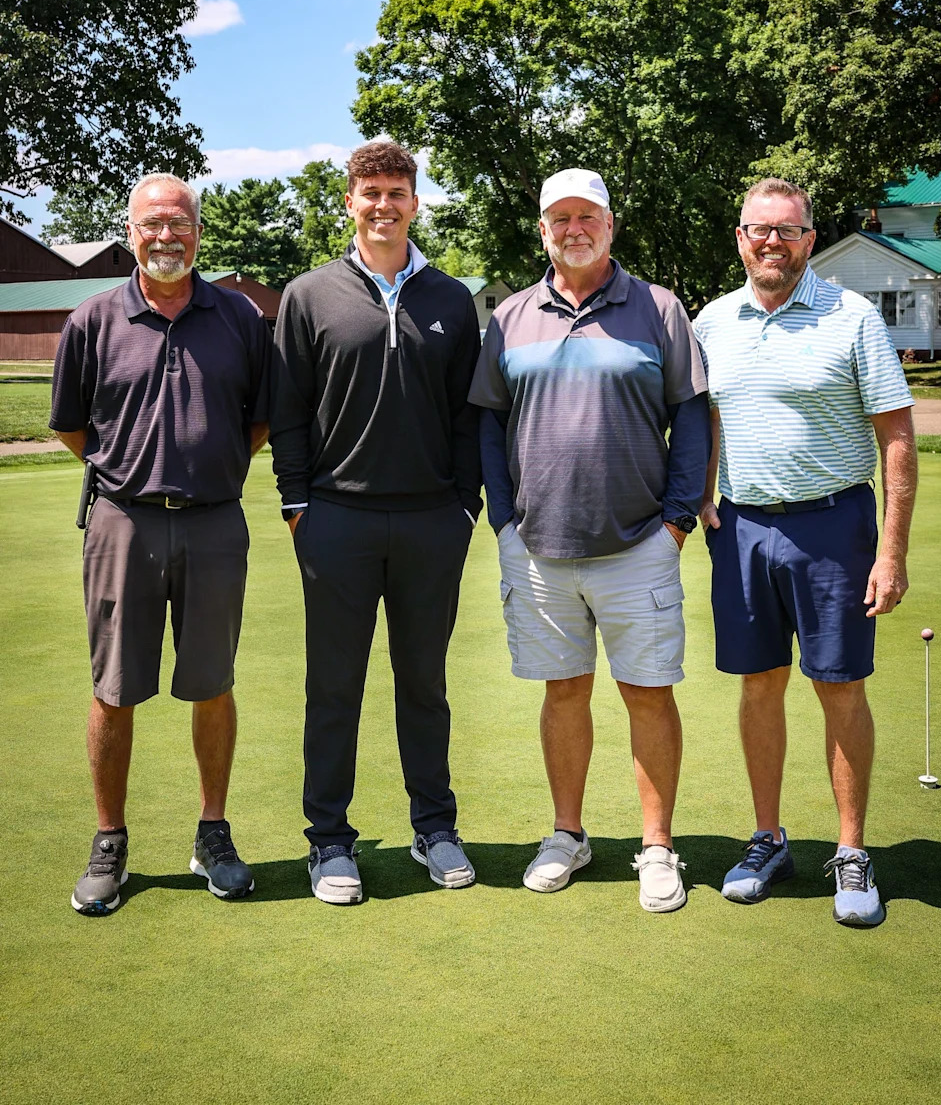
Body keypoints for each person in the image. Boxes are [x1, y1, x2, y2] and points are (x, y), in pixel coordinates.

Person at [468, 168, 710, 910]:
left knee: (647, 695)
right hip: (540, 548)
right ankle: (567, 835)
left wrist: (675, 523)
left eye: (588, 216)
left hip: (640, 543)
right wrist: (505, 522)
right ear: (542, 230)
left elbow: (692, 419)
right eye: (559, 218)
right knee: (564, 693)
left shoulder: (660, 309)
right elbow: (487, 424)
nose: (574, 228)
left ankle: (657, 846)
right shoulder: (509, 316)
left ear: (611, 224)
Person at [694, 177, 916, 928]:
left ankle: (851, 852)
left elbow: (897, 440)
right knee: (759, 686)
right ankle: (768, 838)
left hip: (834, 527)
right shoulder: (714, 321)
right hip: (744, 530)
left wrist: (891, 553)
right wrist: (700, 489)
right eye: (759, 229)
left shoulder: (852, 318)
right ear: (740, 237)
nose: (772, 242)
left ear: (810, 240)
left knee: (840, 687)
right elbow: (708, 418)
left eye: (787, 231)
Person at [50, 173, 271, 915]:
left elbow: (258, 422)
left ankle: (213, 833)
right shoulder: (91, 320)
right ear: (131, 232)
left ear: (198, 232)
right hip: (122, 522)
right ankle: (109, 841)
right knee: (114, 689)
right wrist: (133, 476)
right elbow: (72, 428)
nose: (167, 236)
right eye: (153, 225)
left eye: (179, 222)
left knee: (212, 682)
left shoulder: (239, 318)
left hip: (214, 522)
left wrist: (204, 470)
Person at [270, 139, 482, 905]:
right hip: (337, 520)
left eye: (398, 192)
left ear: (415, 203)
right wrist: (298, 505)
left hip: (433, 520)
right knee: (335, 688)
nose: (384, 206)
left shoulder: (452, 299)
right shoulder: (308, 294)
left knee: (423, 685)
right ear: (350, 203)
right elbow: (287, 411)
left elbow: (468, 416)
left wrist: (466, 505)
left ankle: (436, 826)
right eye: (372, 193)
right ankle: (329, 842)